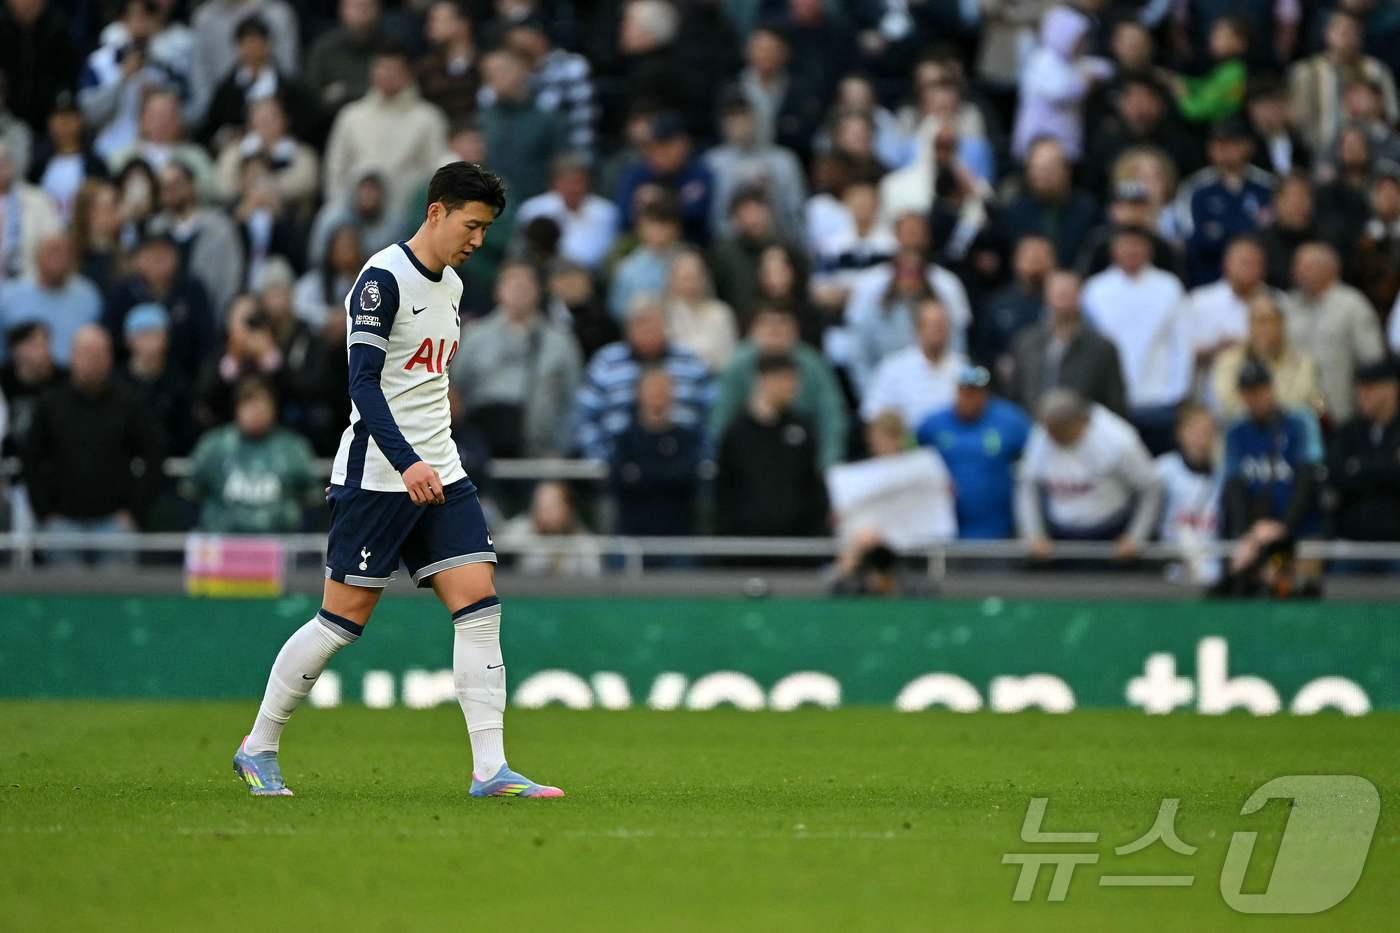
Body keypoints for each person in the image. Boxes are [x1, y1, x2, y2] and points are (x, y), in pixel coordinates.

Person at [231, 162, 563, 799]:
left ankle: (490, 770)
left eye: (487, 229)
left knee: (480, 607)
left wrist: (430, 458)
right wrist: (407, 461)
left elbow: (425, 383)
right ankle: (258, 745)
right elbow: (362, 385)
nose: (478, 240)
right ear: (436, 211)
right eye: (471, 225)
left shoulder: (453, 286)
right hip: (379, 476)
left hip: (442, 472)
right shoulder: (381, 280)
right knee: (340, 622)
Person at [21, 324, 163, 564]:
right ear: (72, 356)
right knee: (64, 588)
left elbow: (155, 453)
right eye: (86, 353)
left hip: (116, 524)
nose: (92, 361)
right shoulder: (50, 404)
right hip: (62, 523)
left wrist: (136, 511)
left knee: (117, 588)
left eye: (98, 354)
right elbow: (31, 458)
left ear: (109, 358)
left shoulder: (129, 403)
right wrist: (44, 512)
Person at [451, 260, 582, 458]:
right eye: (512, 282)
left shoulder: (561, 342)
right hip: (479, 450)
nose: (519, 289)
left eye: (526, 283)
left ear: (539, 290)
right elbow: (453, 392)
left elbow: (573, 399)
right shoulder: (472, 336)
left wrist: (561, 450)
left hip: (542, 451)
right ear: (497, 290)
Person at [1015, 388, 1162, 562]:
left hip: (1111, 536)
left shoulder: (1118, 439)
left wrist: (1136, 536)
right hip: (1057, 538)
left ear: (1080, 422)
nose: (1051, 439)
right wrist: (1033, 534)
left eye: (1059, 432)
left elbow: (1150, 487)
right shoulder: (1043, 433)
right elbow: (1027, 485)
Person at [1080, 225, 1190, 454]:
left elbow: (1182, 342)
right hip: (1111, 403)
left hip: (1160, 399)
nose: (1131, 251)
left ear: (1149, 249)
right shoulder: (1095, 290)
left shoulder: (1169, 286)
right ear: (1113, 250)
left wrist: (1178, 392)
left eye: (1137, 245)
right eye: (1125, 245)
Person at [1219, 358, 1323, 596]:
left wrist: (1282, 526)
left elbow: (1307, 483)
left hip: (1296, 532)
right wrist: (1244, 536)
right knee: (1238, 578)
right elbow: (1234, 487)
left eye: (1259, 390)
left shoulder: (1298, 424)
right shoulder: (1236, 432)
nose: (1254, 398)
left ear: (1270, 388)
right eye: (1248, 392)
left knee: (1280, 583)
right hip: (1255, 534)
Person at [710, 305, 848, 469]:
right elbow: (721, 419)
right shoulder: (737, 365)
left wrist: (827, 464)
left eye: (783, 323)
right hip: (750, 451)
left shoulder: (813, 364)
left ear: (795, 330)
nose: (775, 330)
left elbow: (832, 416)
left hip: (803, 451)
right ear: (752, 330)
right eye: (767, 324)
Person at [573, 298, 713, 461]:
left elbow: (713, 416)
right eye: (640, 323)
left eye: (653, 322)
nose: (647, 330)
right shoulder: (606, 363)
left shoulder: (690, 362)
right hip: (616, 464)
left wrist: (703, 459)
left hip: (686, 464)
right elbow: (584, 419)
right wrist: (602, 461)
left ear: (666, 325)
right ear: (627, 328)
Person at [322, 41, 449, 218]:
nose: (387, 74)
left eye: (393, 69)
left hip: (406, 214)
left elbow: (435, 170)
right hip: (354, 212)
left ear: (408, 74)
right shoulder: (350, 116)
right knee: (330, 218)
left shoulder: (429, 118)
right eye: (381, 68)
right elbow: (335, 169)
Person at [715, 352, 828, 538]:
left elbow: (812, 486)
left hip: (797, 543)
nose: (792, 386)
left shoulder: (802, 428)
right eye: (785, 379)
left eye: (793, 380)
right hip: (747, 543)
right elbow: (724, 491)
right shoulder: (736, 433)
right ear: (764, 380)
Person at [185, 376, 317, 533]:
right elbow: (190, 496)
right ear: (237, 408)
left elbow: (313, 502)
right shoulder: (213, 446)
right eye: (249, 404)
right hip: (222, 541)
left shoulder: (294, 448)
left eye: (262, 405)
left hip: (281, 541)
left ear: (273, 408)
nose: (256, 412)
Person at [915, 364, 1031, 540]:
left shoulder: (1011, 421)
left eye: (975, 392)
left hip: (998, 527)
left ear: (986, 394)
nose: (969, 398)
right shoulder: (933, 425)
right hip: (946, 527)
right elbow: (911, 459)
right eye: (964, 392)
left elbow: (1034, 454)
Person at [1286, 242, 1385, 421]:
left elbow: (1373, 360)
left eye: (1307, 266)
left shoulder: (1353, 305)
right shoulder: (1288, 305)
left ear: (1330, 269)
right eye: (1296, 265)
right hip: (1295, 415)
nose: (1298, 271)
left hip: (1341, 414)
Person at [1008, 269, 1127, 417]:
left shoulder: (1102, 348)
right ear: (1046, 296)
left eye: (1068, 293)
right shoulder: (1025, 342)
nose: (1062, 299)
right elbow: (1014, 395)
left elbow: (1115, 403)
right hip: (1033, 424)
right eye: (1058, 293)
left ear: (1080, 296)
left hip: (1082, 426)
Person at [1174, 118, 1275, 287]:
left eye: (1232, 143)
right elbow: (1190, 237)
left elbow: (1273, 236)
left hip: (1261, 278)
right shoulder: (1194, 188)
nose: (1224, 149)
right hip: (1207, 279)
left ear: (1248, 146)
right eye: (1218, 143)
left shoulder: (1267, 186)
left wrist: (1223, 233)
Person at [609, 366, 704, 539]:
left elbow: (689, 480)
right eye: (652, 392)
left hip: (678, 534)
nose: (657, 398)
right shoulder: (625, 440)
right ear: (639, 394)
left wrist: (642, 474)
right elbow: (617, 484)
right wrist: (668, 474)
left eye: (662, 391)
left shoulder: (687, 439)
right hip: (634, 534)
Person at [1209, 293, 1321, 421]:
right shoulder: (1228, 361)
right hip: (1242, 430)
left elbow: (1301, 405)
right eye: (1257, 321)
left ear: (1281, 324)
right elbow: (1227, 406)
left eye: (1268, 321)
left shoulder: (1303, 364)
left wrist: (1257, 404)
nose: (1263, 328)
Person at [1327, 357, 1400, 553]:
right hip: (1352, 539)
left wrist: (1359, 466)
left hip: (1396, 542)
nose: (1362, 395)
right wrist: (1389, 464)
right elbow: (1335, 475)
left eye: (1369, 388)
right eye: (1359, 389)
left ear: (1391, 389)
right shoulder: (1349, 431)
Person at [859, 297, 966, 430]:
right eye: (931, 325)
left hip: (951, 439)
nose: (937, 331)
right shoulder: (892, 368)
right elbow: (872, 414)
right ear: (917, 329)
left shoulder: (962, 367)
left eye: (941, 325)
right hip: (907, 439)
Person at [0, 234, 101, 365]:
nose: (59, 259)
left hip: (74, 374)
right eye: (52, 252)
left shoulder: (89, 295)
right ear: (36, 256)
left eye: (65, 253)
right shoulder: (9, 296)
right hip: (20, 374)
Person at [1154, 402, 1223, 587]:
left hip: (1212, 572)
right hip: (1170, 570)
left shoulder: (1223, 476)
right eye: (1195, 431)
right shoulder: (1163, 471)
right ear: (1180, 433)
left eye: (1207, 432)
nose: (1201, 438)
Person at [513, 153, 619, 271]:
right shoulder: (533, 210)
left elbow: (603, 255)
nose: (572, 188)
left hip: (591, 275)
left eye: (577, 181)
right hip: (541, 273)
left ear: (588, 183)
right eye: (566, 182)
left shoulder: (606, 213)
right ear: (554, 183)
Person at [497, 481, 602, 577]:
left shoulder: (585, 544)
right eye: (540, 508)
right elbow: (498, 546)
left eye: (551, 508)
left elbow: (593, 580)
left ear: (567, 509)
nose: (544, 515)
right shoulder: (521, 529)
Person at [662, 248, 737, 372]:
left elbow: (729, 358)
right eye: (685, 278)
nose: (690, 283)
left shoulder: (721, 313)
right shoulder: (665, 315)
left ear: (704, 278)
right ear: (673, 280)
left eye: (694, 276)